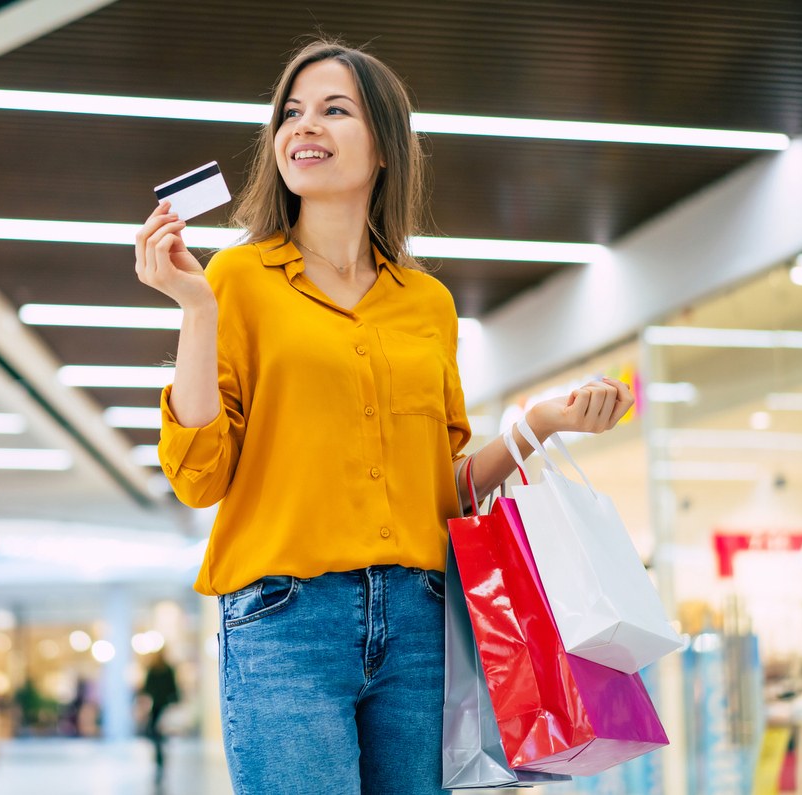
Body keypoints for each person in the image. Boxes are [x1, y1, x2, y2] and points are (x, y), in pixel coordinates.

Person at [136, 38, 635, 794]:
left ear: (383, 149)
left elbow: (445, 486)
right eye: (291, 113)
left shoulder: (425, 303)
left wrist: (541, 424)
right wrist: (195, 310)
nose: (304, 126)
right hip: (286, 618)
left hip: (422, 619)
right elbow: (198, 476)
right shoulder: (236, 278)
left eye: (334, 110)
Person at [139, 652, 180, 777]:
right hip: (162, 704)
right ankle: (160, 750)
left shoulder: (155, 669)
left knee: (154, 730)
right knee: (156, 731)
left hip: (158, 704)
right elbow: (172, 688)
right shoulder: (166, 669)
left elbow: (147, 688)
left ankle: (159, 753)